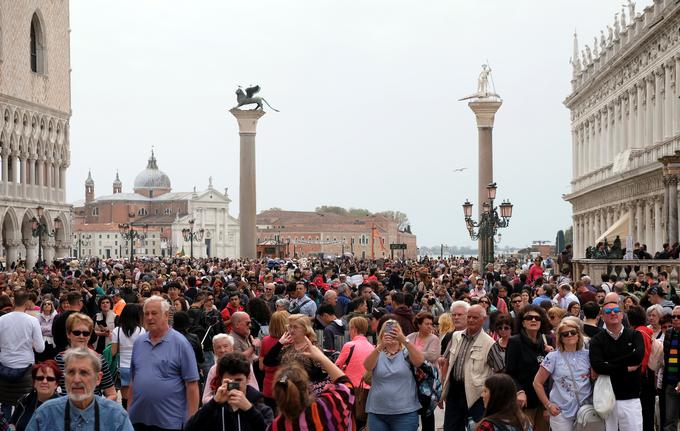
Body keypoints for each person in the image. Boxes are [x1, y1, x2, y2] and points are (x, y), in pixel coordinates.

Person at [128, 295, 200, 431]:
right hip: (138, 419)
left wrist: (191, 421)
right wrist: (129, 411)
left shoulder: (181, 344)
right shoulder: (138, 342)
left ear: (166, 315)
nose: (149, 317)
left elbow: (192, 385)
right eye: (146, 314)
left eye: (154, 313)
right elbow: (133, 380)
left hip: (169, 421)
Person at [25, 347, 133, 431]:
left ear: (98, 378)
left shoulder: (116, 416)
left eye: (84, 373)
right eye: (71, 372)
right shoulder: (45, 414)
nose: (76, 380)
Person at [270, 338, 354, 431]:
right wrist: (322, 358)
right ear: (307, 388)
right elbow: (347, 387)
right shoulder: (323, 409)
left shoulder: (276, 426)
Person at [589, 293, 644, 431]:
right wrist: (625, 368)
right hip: (607, 399)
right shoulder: (597, 339)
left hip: (631, 398)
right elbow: (597, 366)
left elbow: (638, 357)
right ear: (602, 316)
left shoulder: (635, 335)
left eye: (616, 310)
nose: (612, 313)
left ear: (621, 314)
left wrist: (608, 364)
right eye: (608, 311)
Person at [441, 304, 495, 431]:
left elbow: (499, 370)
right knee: (450, 428)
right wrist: (443, 389)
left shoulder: (490, 343)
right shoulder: (456, 336)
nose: (471, 320)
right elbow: (446, 360)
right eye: (469, 317)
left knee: (476, 428)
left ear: (483, 319)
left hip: (476, 396)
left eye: (475, 317)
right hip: (454, 391)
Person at [186, 353, 272, 431]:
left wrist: (249, 409)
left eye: (238, 380)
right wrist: (213, 403)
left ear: (248, 378)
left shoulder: (261, 409)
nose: (234, 384)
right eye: (229, 381)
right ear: (221, 380)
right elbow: (191, 428)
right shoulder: (214, 410)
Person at [364, 319, 424, 431]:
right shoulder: (377, 351)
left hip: (405, 412)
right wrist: (380, 346)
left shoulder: (407, 351)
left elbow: (419, 361)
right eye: (387, 331)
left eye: (394, 331)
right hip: (377, 412)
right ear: (382, 334)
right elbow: (367, 366)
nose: (391, 334)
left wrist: (405, 340)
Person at [533, 319, 591, 431]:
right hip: (561, 412)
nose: (569, 335)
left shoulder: (588, 355)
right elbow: (537, 383)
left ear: (578, 335)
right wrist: (548, 405)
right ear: (560, 337)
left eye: (573, 332)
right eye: (565, 333)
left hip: (586, 411)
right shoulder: (553, 357)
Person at [505, 304, 552, 431]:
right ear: (523, 322)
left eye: (537, 318)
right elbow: (509, 372)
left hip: (545, 400)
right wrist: (519, 391)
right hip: (525, 400)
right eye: (529, 318)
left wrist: (552, 354)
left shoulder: (547, 341)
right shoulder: (515, 342)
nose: (533, 320)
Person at [0, 290, 45, 421]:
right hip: (25, 367)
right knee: (25, 405)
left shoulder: (1, 320)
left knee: (6, 405)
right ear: (26, 303)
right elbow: (40, 348)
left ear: (14, 301)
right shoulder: (32, 321)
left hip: (4, 366)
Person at [54, 312, 117, 401]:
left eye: (86, 333)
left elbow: (112, 394)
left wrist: (99, 408)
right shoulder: (59, 359)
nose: (81, 336)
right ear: (68, 334)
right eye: (76, 333)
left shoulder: (99, 359)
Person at [263, 314, 328, 395]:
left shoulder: (313, 347)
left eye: (295, 327)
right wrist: (279, 343)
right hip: (286, 391)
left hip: (306, 393)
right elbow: (268, 361)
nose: (291, 330)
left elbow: (322, 374)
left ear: (305, 329)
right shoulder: (288, 347)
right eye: (290, 327)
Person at [111, 303, 145, 409]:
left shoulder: (117, 331)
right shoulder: (141, 331)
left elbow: (113, 352)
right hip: (137, 367)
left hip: (122, 367)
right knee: (134, 396)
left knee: (125, 397)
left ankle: (126, 417)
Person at [9, 360, 61, 431]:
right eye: (40, 378)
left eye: (50, 379)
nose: (44, 381)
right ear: (34, 383)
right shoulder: (24, 401)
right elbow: (12, 423)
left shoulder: (62, 408)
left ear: (56, 384)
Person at [259, 311, 289, 411]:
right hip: (284, 385)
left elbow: (261, 367)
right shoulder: (290, 342)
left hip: (268, 386)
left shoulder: (265, 340)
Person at [335, 316, 374, 387]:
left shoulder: (349, 345)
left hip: (351, 387)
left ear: (354, 329)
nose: (349, 332)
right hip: (368, 388)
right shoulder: (372, 347)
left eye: (349, 329)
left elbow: (336, 367)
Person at [661, 306, 680, 431]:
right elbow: (666, 357)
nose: (675, 319)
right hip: (670, 382)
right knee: (669, 420)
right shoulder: (669, 333)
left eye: (679, 317)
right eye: (673, 316)